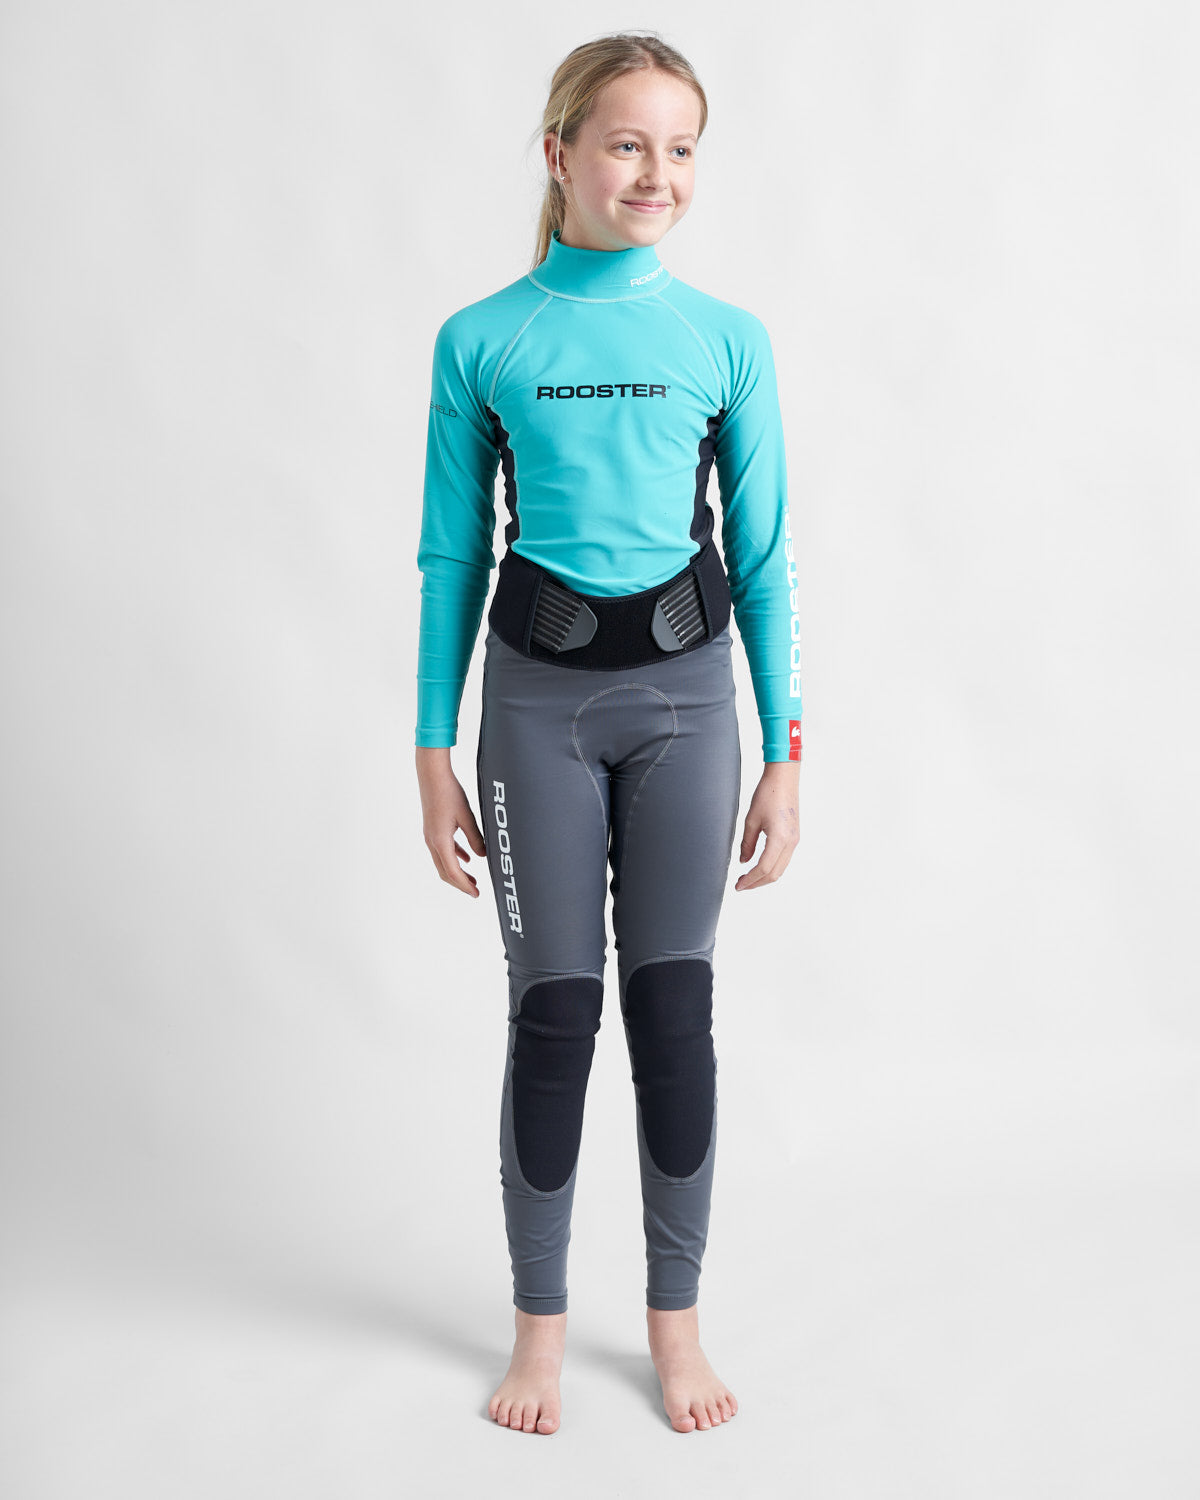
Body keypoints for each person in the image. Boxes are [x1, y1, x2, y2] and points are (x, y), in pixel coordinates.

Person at [414, 32, 802, 1436]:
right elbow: (452, 557)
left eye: (680, 147)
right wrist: (431, 750)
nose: (657, 173)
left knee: (674, 1010)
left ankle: (674, 1327)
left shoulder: (725, 339)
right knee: (554, 1012)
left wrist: (786, 753)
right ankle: (539, 1334)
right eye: (628, 143)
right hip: (537, 712)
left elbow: (764, 558)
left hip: (691, 705)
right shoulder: (485, 338)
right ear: (560, 152)